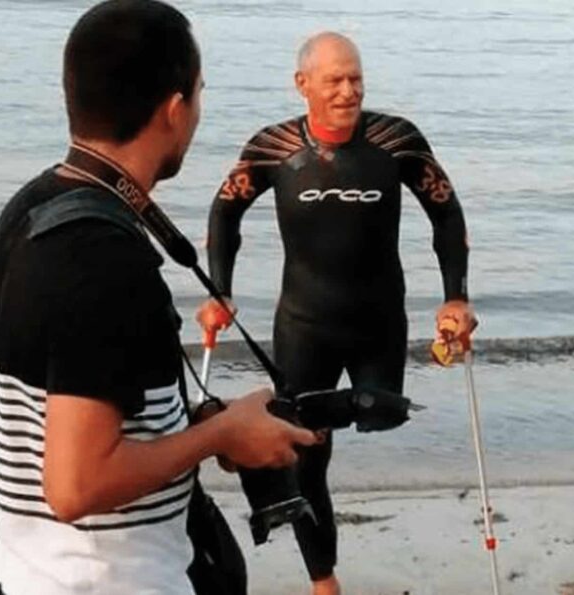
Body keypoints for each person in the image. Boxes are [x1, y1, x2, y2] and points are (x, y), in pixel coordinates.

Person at [0, 1, 316, 592]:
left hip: (28, 567)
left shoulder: (32, 209)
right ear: (174, 107)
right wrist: (219, 435)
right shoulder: (97, 254)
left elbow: (60, 408)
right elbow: (76, 485)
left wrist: (194, 426)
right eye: (200, 93)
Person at [198, 31, 475, 595]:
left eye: (356, 79)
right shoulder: (273, 148)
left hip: (378, 324)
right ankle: (324, 582)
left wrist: (455, 298)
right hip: (305, 325)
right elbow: (225, 212)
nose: (348, 91)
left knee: (386, 415)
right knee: (308, 460)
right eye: (334, 80)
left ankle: (269, 433)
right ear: (303, 85)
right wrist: (220, 291)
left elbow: (446, 213)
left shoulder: (397, 141)